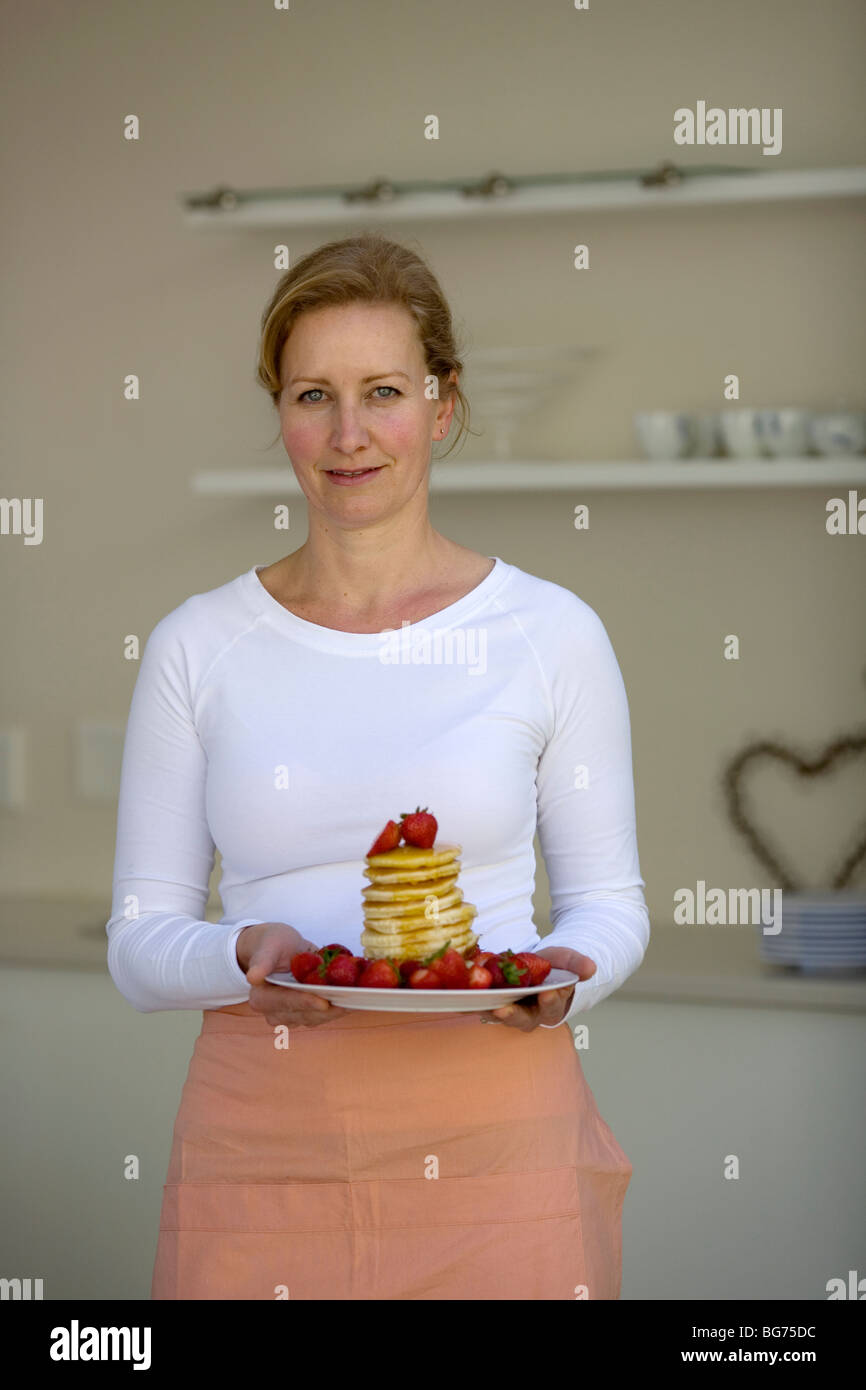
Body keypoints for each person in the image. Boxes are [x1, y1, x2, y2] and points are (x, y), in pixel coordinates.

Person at [106, 231, 650, 1300]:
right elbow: (138, 941)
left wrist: (557, 981)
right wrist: (239, 955)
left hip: (498, 1136)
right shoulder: (196, 644)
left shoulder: (550, 631)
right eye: (313, 394)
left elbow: (609, 907)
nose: (348, 434)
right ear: (279, 412)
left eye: (383, 391)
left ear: (441, 407)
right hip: (265, 1138)